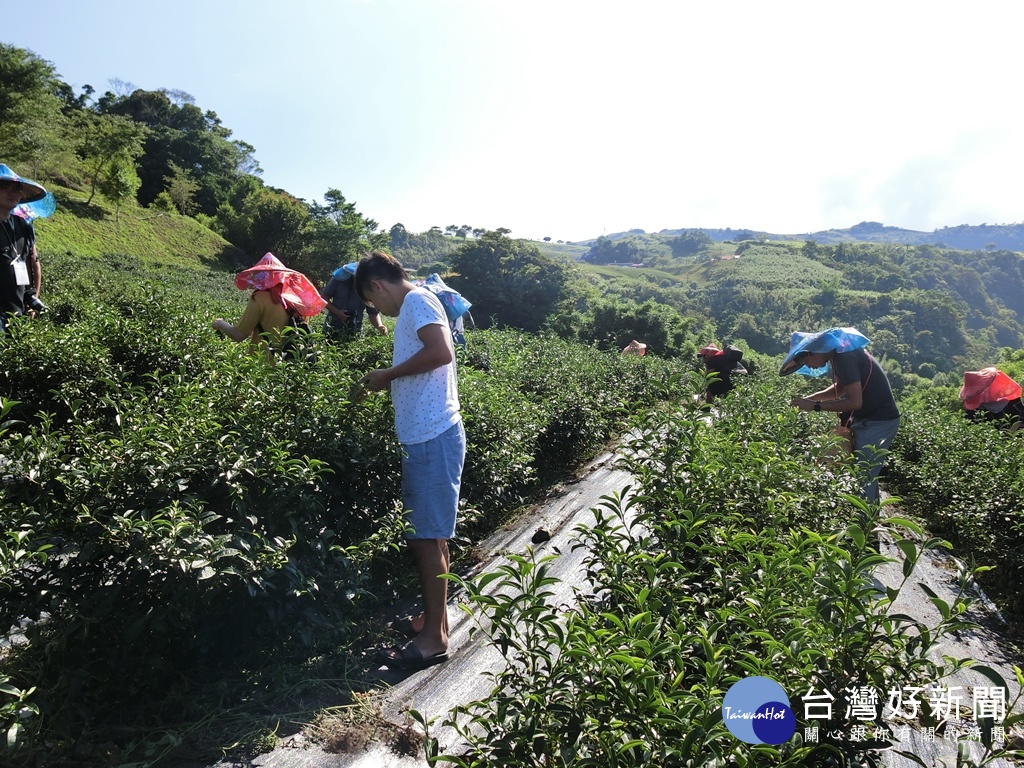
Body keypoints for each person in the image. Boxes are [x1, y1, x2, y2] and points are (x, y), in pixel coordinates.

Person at [353, 251, 465, 670]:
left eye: (371, 301)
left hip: (432, 435)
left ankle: (434, 638)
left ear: (377, 286)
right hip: (428, 434)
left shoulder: (415, 303)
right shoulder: (420, 303)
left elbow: (440, 353)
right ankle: (434, 621)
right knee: (432, 536)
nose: (375, 310)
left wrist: (387, 375)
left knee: (423, 538)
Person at [780, 327, 900, 503]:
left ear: (813, 352)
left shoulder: (845, 357)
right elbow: (842, 388)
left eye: (806, 361)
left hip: (878, 421)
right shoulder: (839, 355)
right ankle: (869, 518)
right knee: (864, 470)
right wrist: (811, 399)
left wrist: (815, 406)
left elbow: (854, 402)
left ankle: (863, 524)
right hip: (868, 418)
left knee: (863, 473)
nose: (810, 367)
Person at [212, 252, 326, 360]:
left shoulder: (259, 298)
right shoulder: (297, 302)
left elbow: (238, 335)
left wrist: (221, 323)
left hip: (262, 367)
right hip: (291, 369)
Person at [0, 164, 48, 331]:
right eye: (5, 188)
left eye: (16, 188)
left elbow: (33, 263)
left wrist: (33, 297)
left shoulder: (23, 226)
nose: (12, 192)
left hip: (17, 311)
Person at [321, 263, 387, 340]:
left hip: (355, 329)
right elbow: (323, 298)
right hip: (332, 326)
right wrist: (338, 313)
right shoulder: (338, 280)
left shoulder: (367, 288)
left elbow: (373, 313)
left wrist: (379, 325)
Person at [959, 368, 1024, 429]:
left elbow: (1022, 415)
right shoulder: (974, 410)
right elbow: (969, 428)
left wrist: (1013, 430)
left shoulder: (1012, 401)